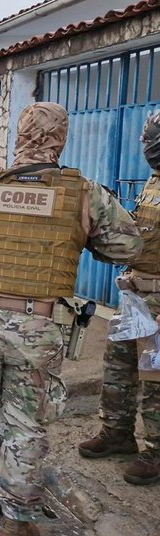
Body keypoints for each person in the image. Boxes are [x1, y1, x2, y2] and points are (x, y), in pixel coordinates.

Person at [0, 102, 141, 536]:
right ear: (61, 139)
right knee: (26, 427)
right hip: (40, 329)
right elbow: (127, 248)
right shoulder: (83, 193)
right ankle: (16, 526)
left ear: (18, 135)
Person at [77, 112, 160, 486]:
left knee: (156, 378)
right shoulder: (154, 181)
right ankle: (117, 434)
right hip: (137, 296)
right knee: (118, 367)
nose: (146, 144)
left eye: (151, 137)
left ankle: (157, 452)